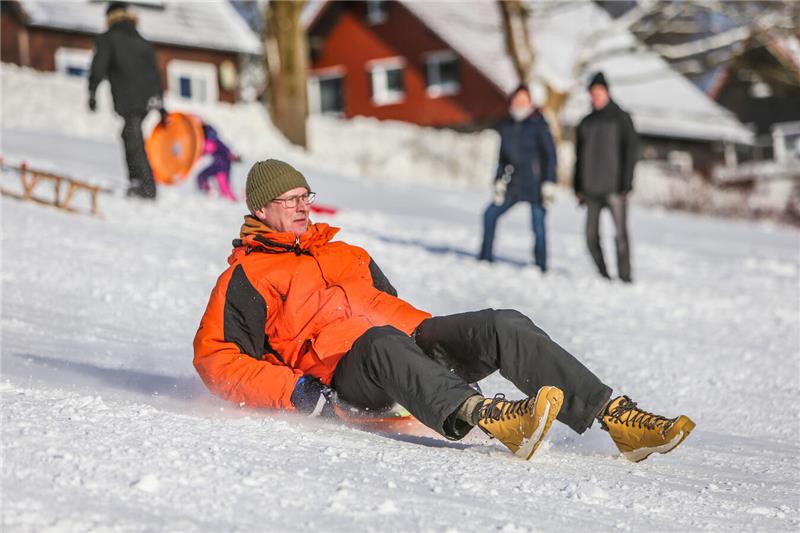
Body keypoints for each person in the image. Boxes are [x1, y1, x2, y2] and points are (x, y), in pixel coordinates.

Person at [193, 159, 694, 462]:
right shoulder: (246, 276)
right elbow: (215, 358)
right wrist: (297, 392)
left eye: (307, 196)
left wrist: (435, 344)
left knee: (502, 323)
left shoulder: (349, 253)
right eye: (291, 199)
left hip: (405, 349)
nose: (304, 206)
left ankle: (615, 417)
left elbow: (389, 307)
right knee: (378, 341)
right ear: (261, 209)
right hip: (347, 377)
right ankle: (491, 416)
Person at [88, 1, 166, 200]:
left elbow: (99, 67)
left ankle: (146, 186)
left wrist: (92, 91)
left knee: (133, 139)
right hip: (147, 99)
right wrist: (160, 103)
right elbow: (155, 73)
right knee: (129, 135)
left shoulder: (109, 38)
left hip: (129, 98)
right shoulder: (142, 40)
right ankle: (138, 181)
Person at [478, 84, 557, 272]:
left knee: (538, 226)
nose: (520, 103)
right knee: (489, 214)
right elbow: (502, 158)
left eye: (524, 99)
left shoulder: (539, 124)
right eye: (517, 99)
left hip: (536, 184)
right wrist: (498, 181)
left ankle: (541, 266)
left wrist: (549, 182)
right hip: (514, 183)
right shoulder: (507, 126)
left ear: (530, 102)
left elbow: (550, 155)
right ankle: (485, 258)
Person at [574, 72, 639, 282]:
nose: (596, 97)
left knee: (620, 235)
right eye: (593, 93)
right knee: (590, 236)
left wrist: (626, 183)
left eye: (599, 92)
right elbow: (579, 157)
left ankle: (625, 277)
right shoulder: (585, 122)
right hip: (591, 188)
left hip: (615, 188)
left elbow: (631, 152)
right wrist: (578, 187)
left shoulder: (621, 118)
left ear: (607, 92)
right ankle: (603, 274)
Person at [196, 122, 240, 202]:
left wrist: (200, 151)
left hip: (220, 165)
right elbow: (228, 152)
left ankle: (208, 191)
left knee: (203, 176)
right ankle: (232, 200)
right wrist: (235, 158)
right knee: (224, 186)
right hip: (223, 165)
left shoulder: (212, 141)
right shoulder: (218, 141)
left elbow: (209, 148)